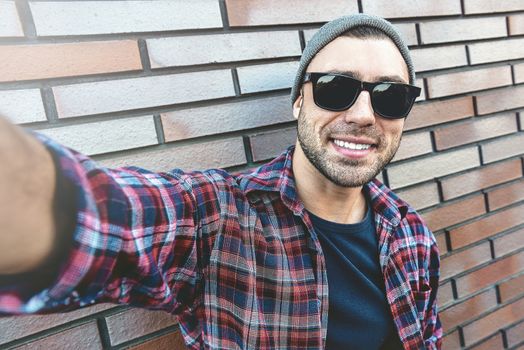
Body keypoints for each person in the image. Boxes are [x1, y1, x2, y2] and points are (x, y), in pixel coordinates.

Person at [0, 13, 441, 349]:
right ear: (298, 102)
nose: (364, 115)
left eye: (390, 96)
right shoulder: (217, 217)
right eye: (334, 88)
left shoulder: (412, 237)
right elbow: (97, 217)